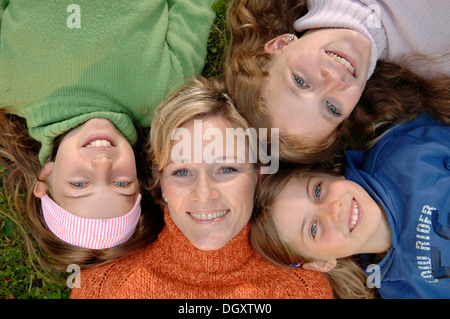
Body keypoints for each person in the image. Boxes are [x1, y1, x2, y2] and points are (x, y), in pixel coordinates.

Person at [70, 77, 334, 299]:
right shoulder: (101, 288)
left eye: (226, 169)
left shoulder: (304, 290)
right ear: (162, 186)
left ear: (259, 175)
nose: (205, 194)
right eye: (182, 172)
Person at [0, 0, 215, 270]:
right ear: (140, 178)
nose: (102, 163)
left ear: (45, 175)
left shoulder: (7, 85)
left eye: (79, 184)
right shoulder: (166, 90)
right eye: (121, 183)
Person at [250, 113, 450, 298]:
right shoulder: (398, 288)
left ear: (331, 175)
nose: (333, 209)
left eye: (318, 191)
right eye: (313, 228)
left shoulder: (404, 157)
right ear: (322, 262)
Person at [224, 0, 450, 163]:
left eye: (300, 82)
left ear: (280, 45)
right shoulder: (437, 62)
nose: (333, 81)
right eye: (332, 108)